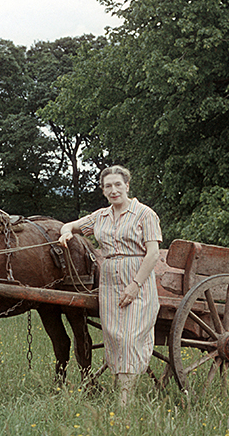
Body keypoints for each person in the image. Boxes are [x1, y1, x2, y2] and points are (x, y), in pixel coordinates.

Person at [59, 165, 162, 407]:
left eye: (118, 185)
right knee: (114, 338)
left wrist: (136, 285)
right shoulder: (100, 216)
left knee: (129, 339)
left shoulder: (144, 214)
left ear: (127, 186)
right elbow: (71, 225)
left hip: (137, 280)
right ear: (103, 190)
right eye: (108, 186)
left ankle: (123, 402)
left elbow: (153, 253)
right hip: (108, 284)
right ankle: (122, 391)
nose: (113, 190)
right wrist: (65, 233)